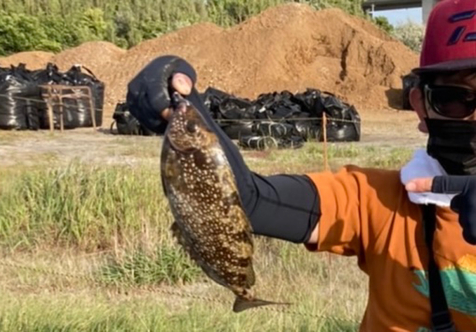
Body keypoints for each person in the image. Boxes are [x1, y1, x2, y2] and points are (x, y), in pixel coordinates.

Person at [125, 0, 476, 330]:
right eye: (454, 100)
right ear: (420, 106)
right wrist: (188, 106)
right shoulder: (375, 200)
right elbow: (251, 202)